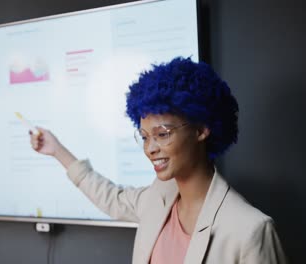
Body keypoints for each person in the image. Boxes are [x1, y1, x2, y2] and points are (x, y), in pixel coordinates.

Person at [29, 57, 287, 264]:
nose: (150, 148)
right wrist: (57, 150)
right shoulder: (158, 197)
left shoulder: (250, 229)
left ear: (201, 130)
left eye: (162, 134)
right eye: (144, 137)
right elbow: (110, 196)